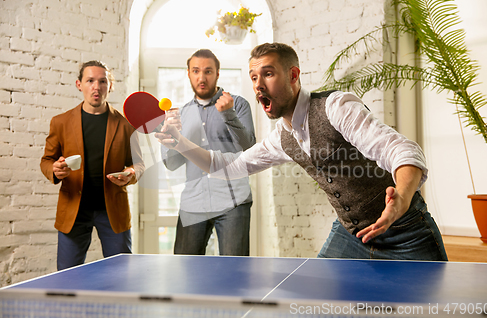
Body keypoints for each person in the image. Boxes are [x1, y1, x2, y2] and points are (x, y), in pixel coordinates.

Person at [156, 42, 448, 261]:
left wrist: (401, 199)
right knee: (313, 306)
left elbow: (403, 150)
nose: (258, 85)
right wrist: (180, 142)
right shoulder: (282, 138)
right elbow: (227, 166)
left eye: (268, 74)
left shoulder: (336, 107)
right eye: (254, 77)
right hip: (351, 235)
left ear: (293, 75)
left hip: (406, 233)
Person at [40, 60, 145, 270]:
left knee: (122, 274)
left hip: (113, 209)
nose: (96, 87)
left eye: (102, 81)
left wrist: (130, 173)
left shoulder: (125, 125)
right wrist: (54, 169)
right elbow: (47, 160)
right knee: (67, 276)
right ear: (79, 84)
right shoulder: (60, 122)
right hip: (74, 210)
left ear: (110, 86)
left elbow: (138, 164)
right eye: (90, 81)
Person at [161, 49, 256, 256]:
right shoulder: (181, 114)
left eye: (208, 71)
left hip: (233, 202)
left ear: (218, 73)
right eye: (196, 71)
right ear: (188, 73)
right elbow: (172, 164)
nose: (201, 78)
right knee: (186, 272)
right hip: (193, 203)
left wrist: (228, 114)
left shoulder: (238, 104)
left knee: (234, 274)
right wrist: (170, 141)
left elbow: (249, 148)